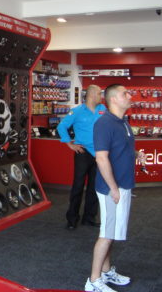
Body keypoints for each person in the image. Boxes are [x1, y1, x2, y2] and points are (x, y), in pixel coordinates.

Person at [85, 84, 145, 292]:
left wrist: (136, 154)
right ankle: (93, 280)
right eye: (124, 94)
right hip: (111, 188)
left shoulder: (123, 122)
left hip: (123, 185)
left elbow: (120, 148)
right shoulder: (104, 123)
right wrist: (113, 188)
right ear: (113, 99)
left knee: (112, 233)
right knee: (107, 233)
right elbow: (101, 158)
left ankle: (106, 271)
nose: (129, 96)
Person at [57, 84, 106, 230]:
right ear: (91, 95)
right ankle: (72, 219)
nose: (101, 96)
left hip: (99, 154)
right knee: (78, 186)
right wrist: (69, 144)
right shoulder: (77, 111)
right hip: (82, 153)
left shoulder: (103, 109)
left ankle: (89, 218)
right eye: (99, 93)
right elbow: (61, 126)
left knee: (94, 187)